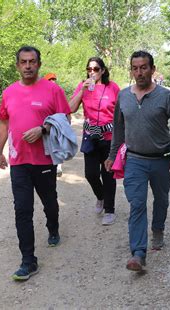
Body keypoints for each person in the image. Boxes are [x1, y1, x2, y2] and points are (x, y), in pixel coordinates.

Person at [104, 51, 170, 271]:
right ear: (131, 70)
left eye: (143, 67)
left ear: (152, 69)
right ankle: (138, 254)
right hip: (134, 160)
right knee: (137, 204)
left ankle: (158, 228)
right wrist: (113, 155)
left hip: (162, 160)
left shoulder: (165, 96)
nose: (139, 72)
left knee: (161, 199)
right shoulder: (123, 96)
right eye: (135, 68)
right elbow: (119, 129)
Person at [0, 46, 71, 281]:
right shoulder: (8, 93)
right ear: (17, 65)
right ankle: (28, 261)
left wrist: (44, 129)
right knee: (22, 210)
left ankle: (53, 227)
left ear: (39, 64)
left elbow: (64, 118)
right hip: (19, 161)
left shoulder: (53, 90)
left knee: (49, 201)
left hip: (44, 159)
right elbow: (4, 124)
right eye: (23, 62)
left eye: (32, 62)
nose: (28, 66)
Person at [69, 57, 120, 225]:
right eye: (89, 69)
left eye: (96, 69)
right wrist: (82, 91)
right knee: (90, 174)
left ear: (103, 70)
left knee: (108, 175)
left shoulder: (112, 88)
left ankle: (110, 210)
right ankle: (101, 197)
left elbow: (122, 111)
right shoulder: (83, 86)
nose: (92, 72)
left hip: (109, 137)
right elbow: (70, 108)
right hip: (90, 135)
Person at [44, 73, 64, 177]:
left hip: (57, 123)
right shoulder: (42, 93)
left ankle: (58, 167)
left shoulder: (58, 91)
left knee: (57, 145)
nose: (52, 81)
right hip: (45, 125)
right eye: (50, 79)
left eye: (53, 79)